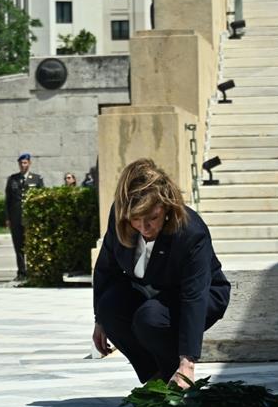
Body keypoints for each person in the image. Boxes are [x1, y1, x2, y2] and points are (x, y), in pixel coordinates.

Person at [91, 159, 230, 388]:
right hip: (153, 292)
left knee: (150, 318)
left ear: (165, 208)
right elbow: (107, 268)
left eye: (152, 218)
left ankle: (177, 374)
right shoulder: (119, 217)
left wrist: (187, 363)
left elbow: (193, 297)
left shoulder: (190, 231)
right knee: (110, 308)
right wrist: (100, 321)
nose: (144, 228)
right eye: (136, 219)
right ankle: (158, 374)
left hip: (202, 294)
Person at [4, 153, 45, 280]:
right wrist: (7, 218)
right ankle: (21, 272)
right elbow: (8, 200)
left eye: (25, 163)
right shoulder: (13, 179)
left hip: (30, 218)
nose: (23, 165)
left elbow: (41, 198)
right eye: (21, 163)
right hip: (16, 218)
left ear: (29, 163)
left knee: (32, 245)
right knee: (18, 245)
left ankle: (34, 272)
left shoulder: (37, 179)